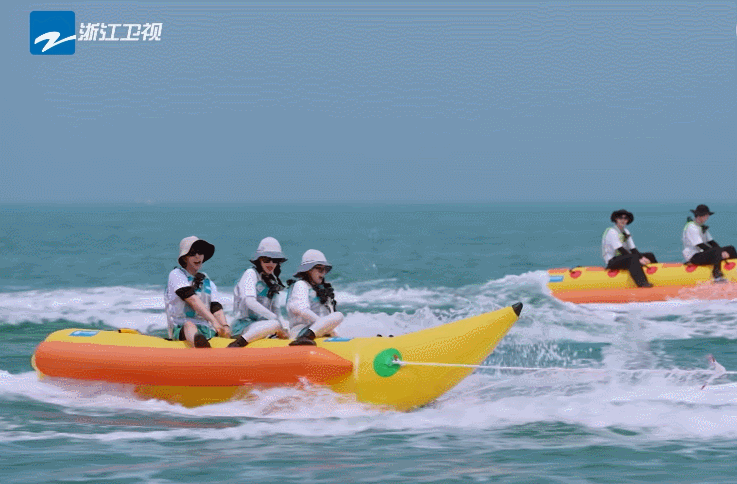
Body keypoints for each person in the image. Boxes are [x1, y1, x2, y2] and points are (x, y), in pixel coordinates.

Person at [165, 236, 230, 348]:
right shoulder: (176, 274)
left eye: (200, 252)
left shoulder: (208, 282)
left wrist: (225, 326)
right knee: (189, 325)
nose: (197, 256)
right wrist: (214, 322)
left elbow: (216, 308)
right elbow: (192, 300)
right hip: (181, 327)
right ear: (184, 258)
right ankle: (199, 347)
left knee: (226, 332)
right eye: (192, 253)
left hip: (206, 329)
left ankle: (206, 344)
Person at [229, 237, 289, 347]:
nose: (271, 263)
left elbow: (276, 310)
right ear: (259, 260)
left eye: (275, 260)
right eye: (266, 259)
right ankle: (238, 343)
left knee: (285, 327)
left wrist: (284, 328)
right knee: (275, 323)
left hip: (263, 325)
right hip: (244, 325)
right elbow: (250, 302)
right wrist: (275, 320)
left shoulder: (273, 281)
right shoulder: (250, 273)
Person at [286, 249, 344, 346]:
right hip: (301, 332)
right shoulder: (301, 284)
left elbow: (329, 315)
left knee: (337, 316)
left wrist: (333, 332)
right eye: (320, 269)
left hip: (320, 332)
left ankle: (311, 336)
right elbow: (300, 309)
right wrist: (325, 325)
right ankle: (305, 337)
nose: (323, 273)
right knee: (339, 315)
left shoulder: (322, 289)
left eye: (325, 269)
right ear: (308, 270)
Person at [601, 209, 658, 288]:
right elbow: (620, 249)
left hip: (624, 257)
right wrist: (638, 259)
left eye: (625, 218)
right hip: (612, 261)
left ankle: (658, 275)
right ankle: (642, 283)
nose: (623, 220)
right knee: (633, 258)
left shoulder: (626, 231)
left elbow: (633, 249)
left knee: (649, 255)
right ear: (616, 219)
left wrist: (641, 257)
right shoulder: (612, 232)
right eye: (620, 218)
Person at [682, 204, 737, 282]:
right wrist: (720, 252)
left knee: (730, 248)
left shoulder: (701, 226)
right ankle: (717, 275)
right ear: (699, 216)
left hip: (703, 253)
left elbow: (712, 242)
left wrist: (722, 251)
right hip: (694, 257)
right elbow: (701, 245)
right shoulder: (691, 227)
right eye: (706, 215)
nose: (707, 217)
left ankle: (734, 269)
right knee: (716, 251)